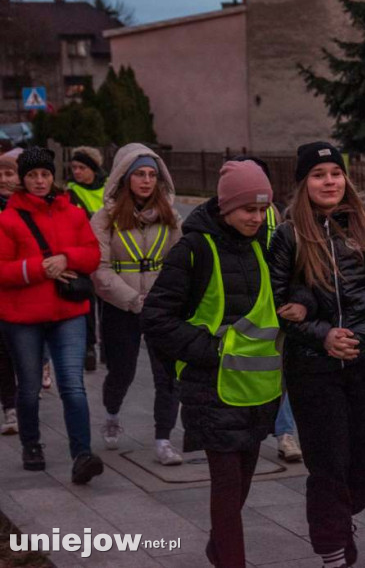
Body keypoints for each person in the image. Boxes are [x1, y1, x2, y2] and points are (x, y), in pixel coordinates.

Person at [143, 160, 286, 568]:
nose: (257, 218)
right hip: (211, 392)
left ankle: (218, 547)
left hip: (258, 393)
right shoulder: (193, 250)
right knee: (226, 489)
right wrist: (210, 352)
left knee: (239, 488)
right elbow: (155, 318)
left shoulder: (267, 244)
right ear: (225, 208)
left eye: (263, 210)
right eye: (248, 210)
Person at [268, 142, 365, 568]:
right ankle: (333, 549)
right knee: (328, 465)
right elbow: (276, 302)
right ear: (304, 184)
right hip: (312, 369)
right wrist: (323, 335)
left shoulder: (364, 228)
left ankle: (336, 523)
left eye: (335, 173)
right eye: (318, 174)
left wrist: (361, 334)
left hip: (362, 363)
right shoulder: (288, 235)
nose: (329, 181)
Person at [0, 147, 104, 483]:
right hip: (23, 319)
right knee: (29, 387)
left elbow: (92, 255)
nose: (39, 181)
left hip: (68, 314)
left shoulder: (72, 213)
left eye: (44, 174)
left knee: (73, 385)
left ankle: (82, 454)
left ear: (52, 176)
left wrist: (65, 258)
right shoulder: (8, 219)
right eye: (32, 176)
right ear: (23, 180)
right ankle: (32, 444)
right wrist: (38, 269)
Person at [90, 144, 183, 465]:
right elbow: (98, 269)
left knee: (168, 376)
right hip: (121, 306)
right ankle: (112, 414)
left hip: (161, 308)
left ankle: (163, 439)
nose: (146, 181)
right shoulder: (106, 218)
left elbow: (180, 262)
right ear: (125, 177)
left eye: (152, 175)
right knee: (122, 372)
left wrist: (165, 300)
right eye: (139, 174)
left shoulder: (170, 217)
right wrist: (132, 299)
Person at [231, 154, 301, 464]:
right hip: (246, 309)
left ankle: (284, 433)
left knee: (280, 370)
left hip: (277, 305)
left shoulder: (280, 217)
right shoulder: (233, 217)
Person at [68, 146, 108, 372]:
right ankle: (89, 347)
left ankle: (108, 345)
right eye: (74, 167)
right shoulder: (72, 192)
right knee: (88, 304)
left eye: (82, 167)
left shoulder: (110, 188)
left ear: (93, 169)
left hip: (110, 254)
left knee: (108, 304)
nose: (77, 172)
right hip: (85, 254)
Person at [0, 148, 22, 435]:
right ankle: (10, 406)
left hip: (27, 292)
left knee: (24, 353)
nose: (3, 179)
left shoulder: (33, 208)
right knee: (3, 354)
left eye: (9, 173)